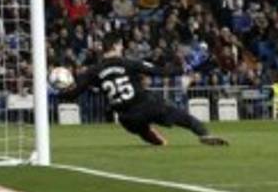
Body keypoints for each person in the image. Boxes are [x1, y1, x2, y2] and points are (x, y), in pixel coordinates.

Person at [58, 32, 228, 147]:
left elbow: (73, 93)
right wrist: (184, 68)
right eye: (121, 45)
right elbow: (160, 72)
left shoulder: (93, 71)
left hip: (126, 118)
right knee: (185, 118)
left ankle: (156, 140)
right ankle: (203, 134)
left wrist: (60, 90)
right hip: (146, 105)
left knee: (144, 132)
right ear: (117, 45)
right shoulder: (128, 63)